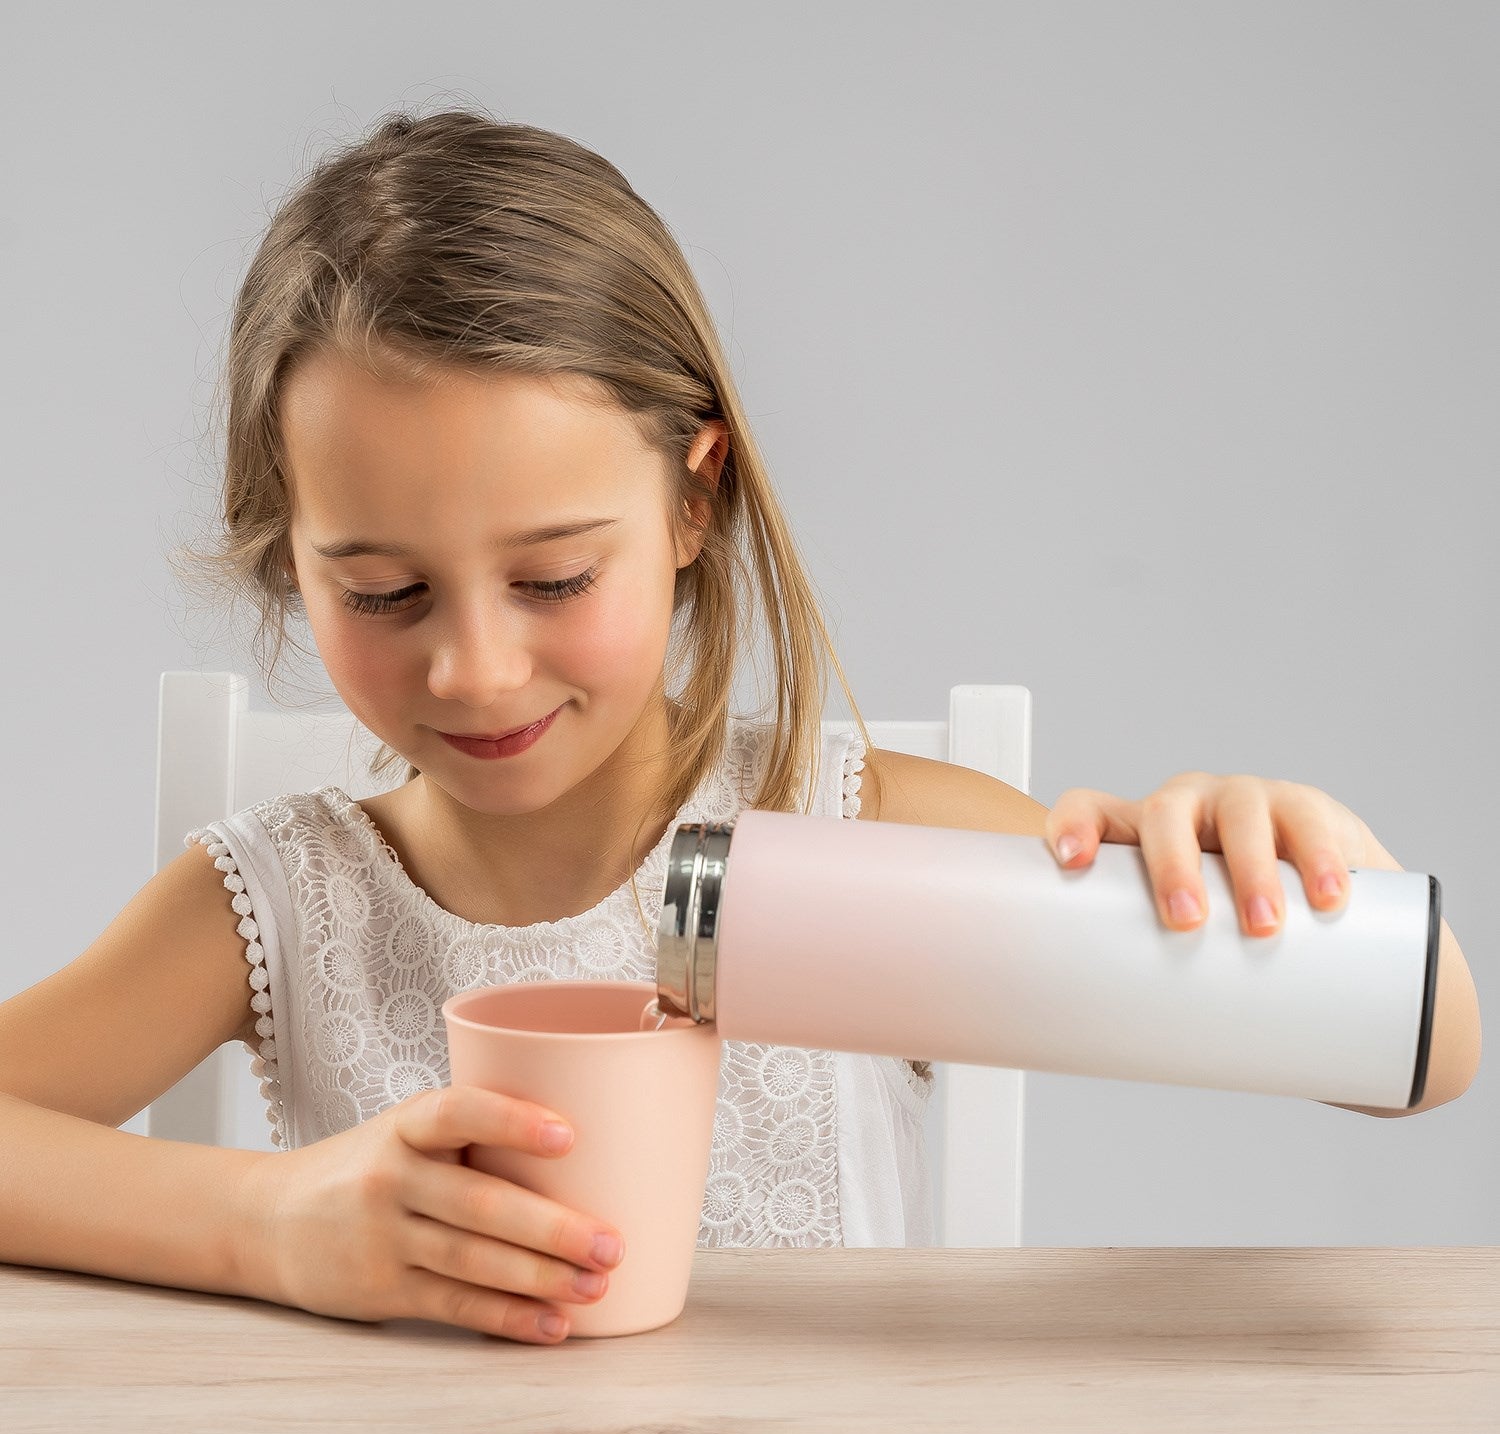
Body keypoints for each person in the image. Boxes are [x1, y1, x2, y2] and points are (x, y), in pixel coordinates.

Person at [0, 109, 1480, 1349]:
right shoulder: (279, 902)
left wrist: (1294, 887)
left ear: (694, 499)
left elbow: (1426, 1052)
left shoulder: (864, 841)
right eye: (383, 592)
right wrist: (268, 1223)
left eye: (555, 578)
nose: (476, 671)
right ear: (292, 558)